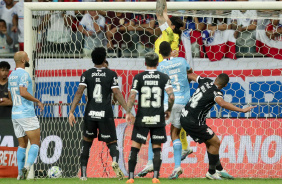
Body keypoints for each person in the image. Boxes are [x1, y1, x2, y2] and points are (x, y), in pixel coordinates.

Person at [180, 72, 256, 180]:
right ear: (225, 85)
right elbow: (223, 104)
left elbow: (189, 75)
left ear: (216, 79)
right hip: (193, 122)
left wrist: (184, 85)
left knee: (210, 142)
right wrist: (242, 110)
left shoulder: (205, 81)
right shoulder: (216, 92)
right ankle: (211, 172)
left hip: (185, 115)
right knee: (215, 142)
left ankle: (219, 169)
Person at [68, 47, 127, 181]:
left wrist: (71, 111)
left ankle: (83, 174)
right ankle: (115, 161)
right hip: (105, 113)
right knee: (112, 142)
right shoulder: (111, 74)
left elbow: (79, 92)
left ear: (92, 59)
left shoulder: (86, 74)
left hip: (90, 114)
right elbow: (117, 93)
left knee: (86, 143)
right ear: (104, 58)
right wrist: (127, 110)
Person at [137, 41, 193, 179]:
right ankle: (177, 166)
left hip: (168, 103)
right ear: (172, 50)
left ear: (160, 54)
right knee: (175, 134)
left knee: (155, 132)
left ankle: (150, 163)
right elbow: (190, 72)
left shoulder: (160, 66)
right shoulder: (182, 60)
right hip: (183, 102)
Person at [126, 52, 175, 184]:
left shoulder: (138, 77)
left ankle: (130, 177)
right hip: (158, 117)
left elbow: (131, 96)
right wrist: (169, 110)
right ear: (158, 63)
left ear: (145, 63)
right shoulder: (164, 77)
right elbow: (171, 96)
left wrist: (128, 112)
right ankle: (156, 177)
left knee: (135, 148)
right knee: (157, 148)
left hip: (142, 117)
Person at [8, 51, 44, 180]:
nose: (29, 58)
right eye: (27, 57)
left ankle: (19, 174)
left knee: (22, 145)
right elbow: (23, 92)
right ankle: (27, 167)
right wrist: (37, 101)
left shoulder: (11, 75)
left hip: (15, 114)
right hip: (26, 113)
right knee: (35, 143)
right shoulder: (24, 74)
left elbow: (10, 94)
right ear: (23, 60)